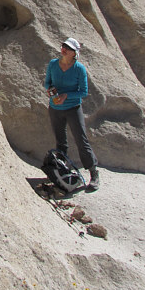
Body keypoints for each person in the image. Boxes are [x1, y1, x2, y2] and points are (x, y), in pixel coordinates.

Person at [44, 37, 99, 190]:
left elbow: (83, 91)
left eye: (68, 47)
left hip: (73, 109)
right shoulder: (53, 64)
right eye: (63, 45)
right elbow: (47, 82)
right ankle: (61, 172)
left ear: (74, 53)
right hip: (55, 108)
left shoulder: (79, 69)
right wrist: (50, 91)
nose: (64, 49)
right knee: (61, 142)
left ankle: (94, 174)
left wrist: (66, 95)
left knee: (81, 141)